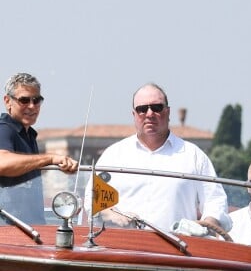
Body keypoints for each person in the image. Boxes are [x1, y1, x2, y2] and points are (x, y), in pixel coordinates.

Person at [84, 83, 232, 233]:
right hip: (123, 248)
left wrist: (205, 225)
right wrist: (109, 212)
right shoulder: (113, 155)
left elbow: (215, 201)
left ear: (168, 112)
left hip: (178, 249)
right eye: (142, 109)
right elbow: (92, 199)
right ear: (134, 115)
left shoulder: (194, 156)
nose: (149, 114)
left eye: (156, 108)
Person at [0, 72, 78, 225]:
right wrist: (50, 159)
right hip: (8, 235)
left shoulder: (28, 135)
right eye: (24, 100)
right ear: (8, 101)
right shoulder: (4, 129)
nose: (32, 106)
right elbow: (2, 162)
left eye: (37, 100)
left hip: (30, 231)